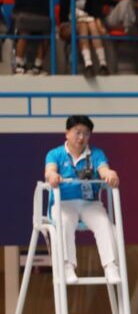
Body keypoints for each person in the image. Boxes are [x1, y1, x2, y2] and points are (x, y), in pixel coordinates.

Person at [43, 115, 122, 284]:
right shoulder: (55, 154)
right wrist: (53, 176)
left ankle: (110, 266)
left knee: (104, 222)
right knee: (64, 222)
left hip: (89, 203)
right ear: (67, 133)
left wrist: (110, 174)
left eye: (86, 134)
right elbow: (49, 171)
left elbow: (104, 169)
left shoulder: (96, 154)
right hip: (63, 203)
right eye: (77, 132)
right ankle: (67, 266)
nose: (81, 138)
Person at [8, 0, 60, 75]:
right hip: (22, 16)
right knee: (25, 28)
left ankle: (38, 65)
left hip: (42, 18)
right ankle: (19, 63)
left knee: (47, 30)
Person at [67, 0, 110, 77]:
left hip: (87, 20)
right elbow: (65, 9)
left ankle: (101, 65)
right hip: (70, 20)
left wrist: (98, 22)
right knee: (84, 24)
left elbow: (95, 9)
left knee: (89, 24)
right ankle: (89, 63)